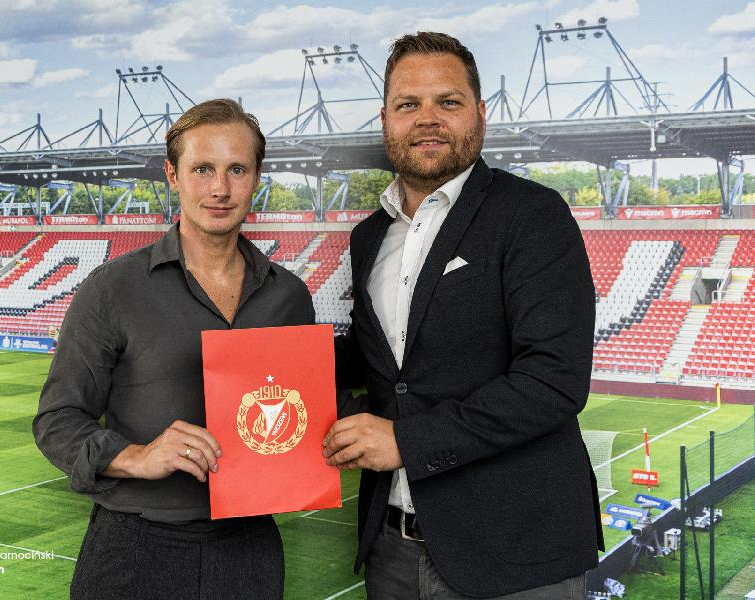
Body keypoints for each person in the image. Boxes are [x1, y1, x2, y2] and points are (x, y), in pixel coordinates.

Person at [324, 32, 603, 599]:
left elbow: (553, 380)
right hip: (392, 550)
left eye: (447, 102)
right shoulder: (369, 236)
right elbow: (386, 362)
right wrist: (267, 361)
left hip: (517, 558)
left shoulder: (533, 215)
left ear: (480, 112)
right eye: (408, 104)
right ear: (385, 119)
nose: (427, 119)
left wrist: (408, 441)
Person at [33, 99, 314, 599]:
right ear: (172, 175)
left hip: (250, 547)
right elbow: (57, 421)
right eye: (202, 169)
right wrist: (135, 456)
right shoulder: (112, 289)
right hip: (136, 547)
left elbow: (299, 411)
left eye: (237, 169)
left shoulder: (289, 296)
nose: (220, 188)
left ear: (256, 177)